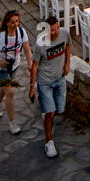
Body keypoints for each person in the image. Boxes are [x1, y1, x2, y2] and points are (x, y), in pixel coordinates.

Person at [29, 14, 70, 158]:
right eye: (52, 30)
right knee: (50, 113)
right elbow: (34, 66)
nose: (56, 32)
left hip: (59, 78)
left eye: (57, 28)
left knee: (60, 109)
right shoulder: (41, 44)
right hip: (44, 81)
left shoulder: (64, 34)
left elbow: (68, 46)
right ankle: (49, 142)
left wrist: (67, 64)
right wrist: (32, 87)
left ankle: (46, 107)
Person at [0, 9, 31, 136]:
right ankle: (12, 123)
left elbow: (27, 49)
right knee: (10, 91)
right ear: (6, 23)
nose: (15, 24)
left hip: (13, 66)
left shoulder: (21, 32)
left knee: (5, 88)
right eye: (12, 22)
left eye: (17, 21)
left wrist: (29, 63)